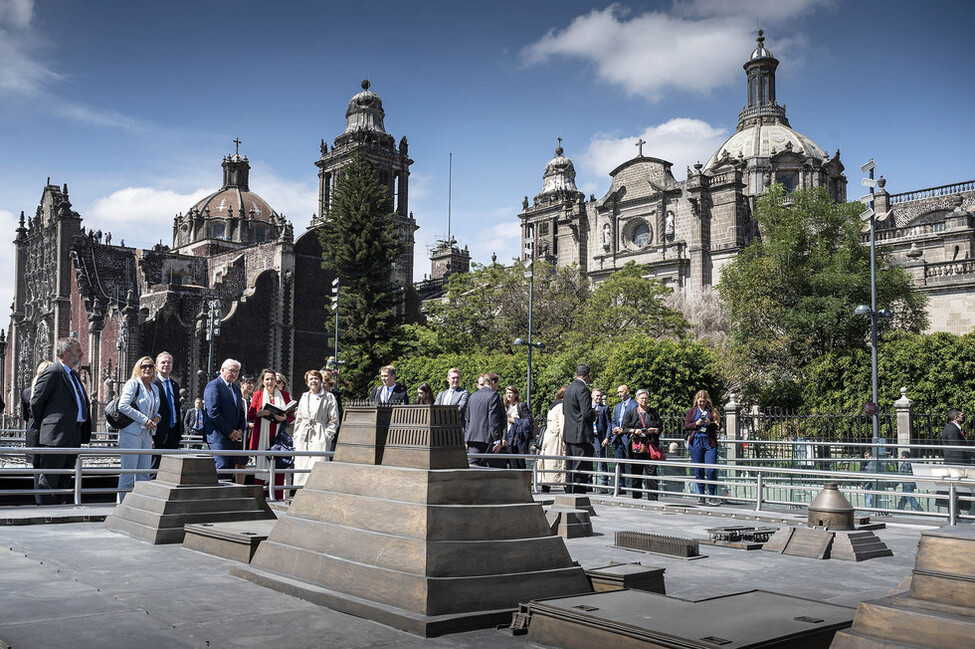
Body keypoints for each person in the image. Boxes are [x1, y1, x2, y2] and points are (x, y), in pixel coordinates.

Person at [29, 337, 92, 505]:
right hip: (56, 435)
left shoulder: (73, 374)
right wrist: (45, 424)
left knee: (65, 477)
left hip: (74, 433)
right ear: (65, 352)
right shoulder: (53, 372)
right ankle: (46, 514)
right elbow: (36, 401)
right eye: (78, 351)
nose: (82, 354)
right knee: (50, 477)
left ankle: (59, 510)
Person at [116, 357, 161, 502]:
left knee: (144, 473)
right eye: (143, 366)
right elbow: (122, 406)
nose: (147, 369)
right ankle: (122, 504)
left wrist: (156, 419)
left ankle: (140, 505)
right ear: (138, 368)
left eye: (150, 366)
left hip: (147, 434)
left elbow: (155, 411)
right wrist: (145, 419)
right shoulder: (133, 384)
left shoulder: (154, 388)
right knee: (128, 472)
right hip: (131, 432)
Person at [247, 368, 294, 499]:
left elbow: (292, 416)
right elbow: (249, 415)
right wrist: (258, 414)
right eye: (267, 379)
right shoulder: (257, 395)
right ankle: (259, 500)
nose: (270, 381)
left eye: (272, 379)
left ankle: (278, 499)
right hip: (261, 437)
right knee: (260, 470)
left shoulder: (285, 395)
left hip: (278, 439)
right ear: (262, 381)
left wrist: (285, 418)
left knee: (278, 471)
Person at [292, 370, 339, 488]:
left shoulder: (329, 397)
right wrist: (296, 437)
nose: (314, 381)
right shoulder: (304, 397)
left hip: (320, 434)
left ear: (321, 381)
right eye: (311, 379)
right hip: (304, 435)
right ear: (307, 383)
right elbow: (299, 419)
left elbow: (334, 420)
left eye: (316, 378)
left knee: (319, 465)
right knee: (302, 467)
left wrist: (327, 436)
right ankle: (300, 493)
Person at [204, 359, 247, 481]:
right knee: (221, 469)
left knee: (230, 471)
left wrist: (240, 429)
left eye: (237, 371)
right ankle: (216, 498)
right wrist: (229, 431)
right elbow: (212, 412)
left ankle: (227, 498)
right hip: (219, 438)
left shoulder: (237, 389)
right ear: (222, 370)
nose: (234, 374)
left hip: (234, 439)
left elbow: (240, 412)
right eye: (231, 371)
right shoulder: (213, 386)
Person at [562, 364, 597, 494]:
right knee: (580, 468)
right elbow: (587, 414)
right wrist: (594, 414)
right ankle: (578, 497)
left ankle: (569, 494)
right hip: (581, 435)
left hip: (569, 434)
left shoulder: (568, 389)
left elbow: (565, 411)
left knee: (570, 468)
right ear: (588, 375)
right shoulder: (583, 389)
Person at [622, 389, 663, 500]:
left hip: (650, 446)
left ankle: (653, 498)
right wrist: (635, 431)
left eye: (646, 398)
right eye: (642, 398)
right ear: (637, 399)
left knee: (652, 473)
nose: (644, 400)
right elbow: (625, 428)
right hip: (637, 447)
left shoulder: (653, 412)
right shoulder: (631, 413)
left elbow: (660, 427)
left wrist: (654, 430)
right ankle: (636, 497)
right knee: (636, 473)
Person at [684, 389, 721, 505]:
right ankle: (701, 496)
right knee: (698, 469)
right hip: (696, 442)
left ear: (707, 401)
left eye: (703, 401)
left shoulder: (712, 411)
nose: (701, 403)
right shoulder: (692, 411)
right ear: (696, 400)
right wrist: (696, 424)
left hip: (709, 442)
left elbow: (719, 425)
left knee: (711, 469)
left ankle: (711, 495)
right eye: (699, 401)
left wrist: (711, 424)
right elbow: (686, 426)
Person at [464, 372, 505, 467]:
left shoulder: (472, 396)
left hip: (472, 438)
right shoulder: (494, 396)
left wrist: (466, 439)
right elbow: (493, 420)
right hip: (487, 439)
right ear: (493, 382)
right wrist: (497, 440)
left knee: (473, 466)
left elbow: (468, 419)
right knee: (491, 469)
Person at [151, 351, 183, 470]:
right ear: (156, 366)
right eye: (163, 362)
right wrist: (151, 436)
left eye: (169, 362)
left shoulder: (175, 385)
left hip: (173, 431)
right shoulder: (152, 384)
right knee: (155, 466)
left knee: (171, 468)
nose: (166, 365)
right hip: (158, 431)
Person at [22, 360, 52, 469]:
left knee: (37, 470)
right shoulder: (54, 392)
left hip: (33, 434)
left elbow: (25, 416)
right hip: (50, 435)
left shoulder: (27, 392)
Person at [537, 386, 568, 492]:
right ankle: (567, 489)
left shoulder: (553, 407)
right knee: (560, 466)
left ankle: (545, 488)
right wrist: (565, 440)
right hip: (556, 439)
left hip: (549, 438)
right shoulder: (562, 407)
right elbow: (563, 425)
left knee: (548, 464)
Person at [610, 385, 638, 493]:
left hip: (629, 439)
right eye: (618, 392)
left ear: (628, 392)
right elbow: (613, 421)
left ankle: (632, 488)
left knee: (631, 464)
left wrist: (624, 430)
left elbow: (635, 422)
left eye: (621, 392)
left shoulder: (634, 405)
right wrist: (615, 428)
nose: (619, 394)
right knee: (619, 463)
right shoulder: (618, 407)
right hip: (618, 439)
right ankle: (620, 487)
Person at [503, 385, 532, 470]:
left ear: (516, 394)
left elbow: (528, 421)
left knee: (520, 463)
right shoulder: (506, 407)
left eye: (511, 393)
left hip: (518, 439)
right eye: (507, 393)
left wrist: (514, 420)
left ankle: (522, 482)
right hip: (508, 438)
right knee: (511, 463)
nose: (508, 395)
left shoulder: (521, 406)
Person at [591, 388, 612, 492]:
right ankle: (588, 483)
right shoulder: (588, 407)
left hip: (600, 438)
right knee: (588, 460)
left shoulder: (605, 408)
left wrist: (607, 437)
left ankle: (604, 484)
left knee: (601, 460)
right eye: (597, 396)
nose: (599, 397)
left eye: (600, 396)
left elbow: (609, 424)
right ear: (592, 396)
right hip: (589, 437)